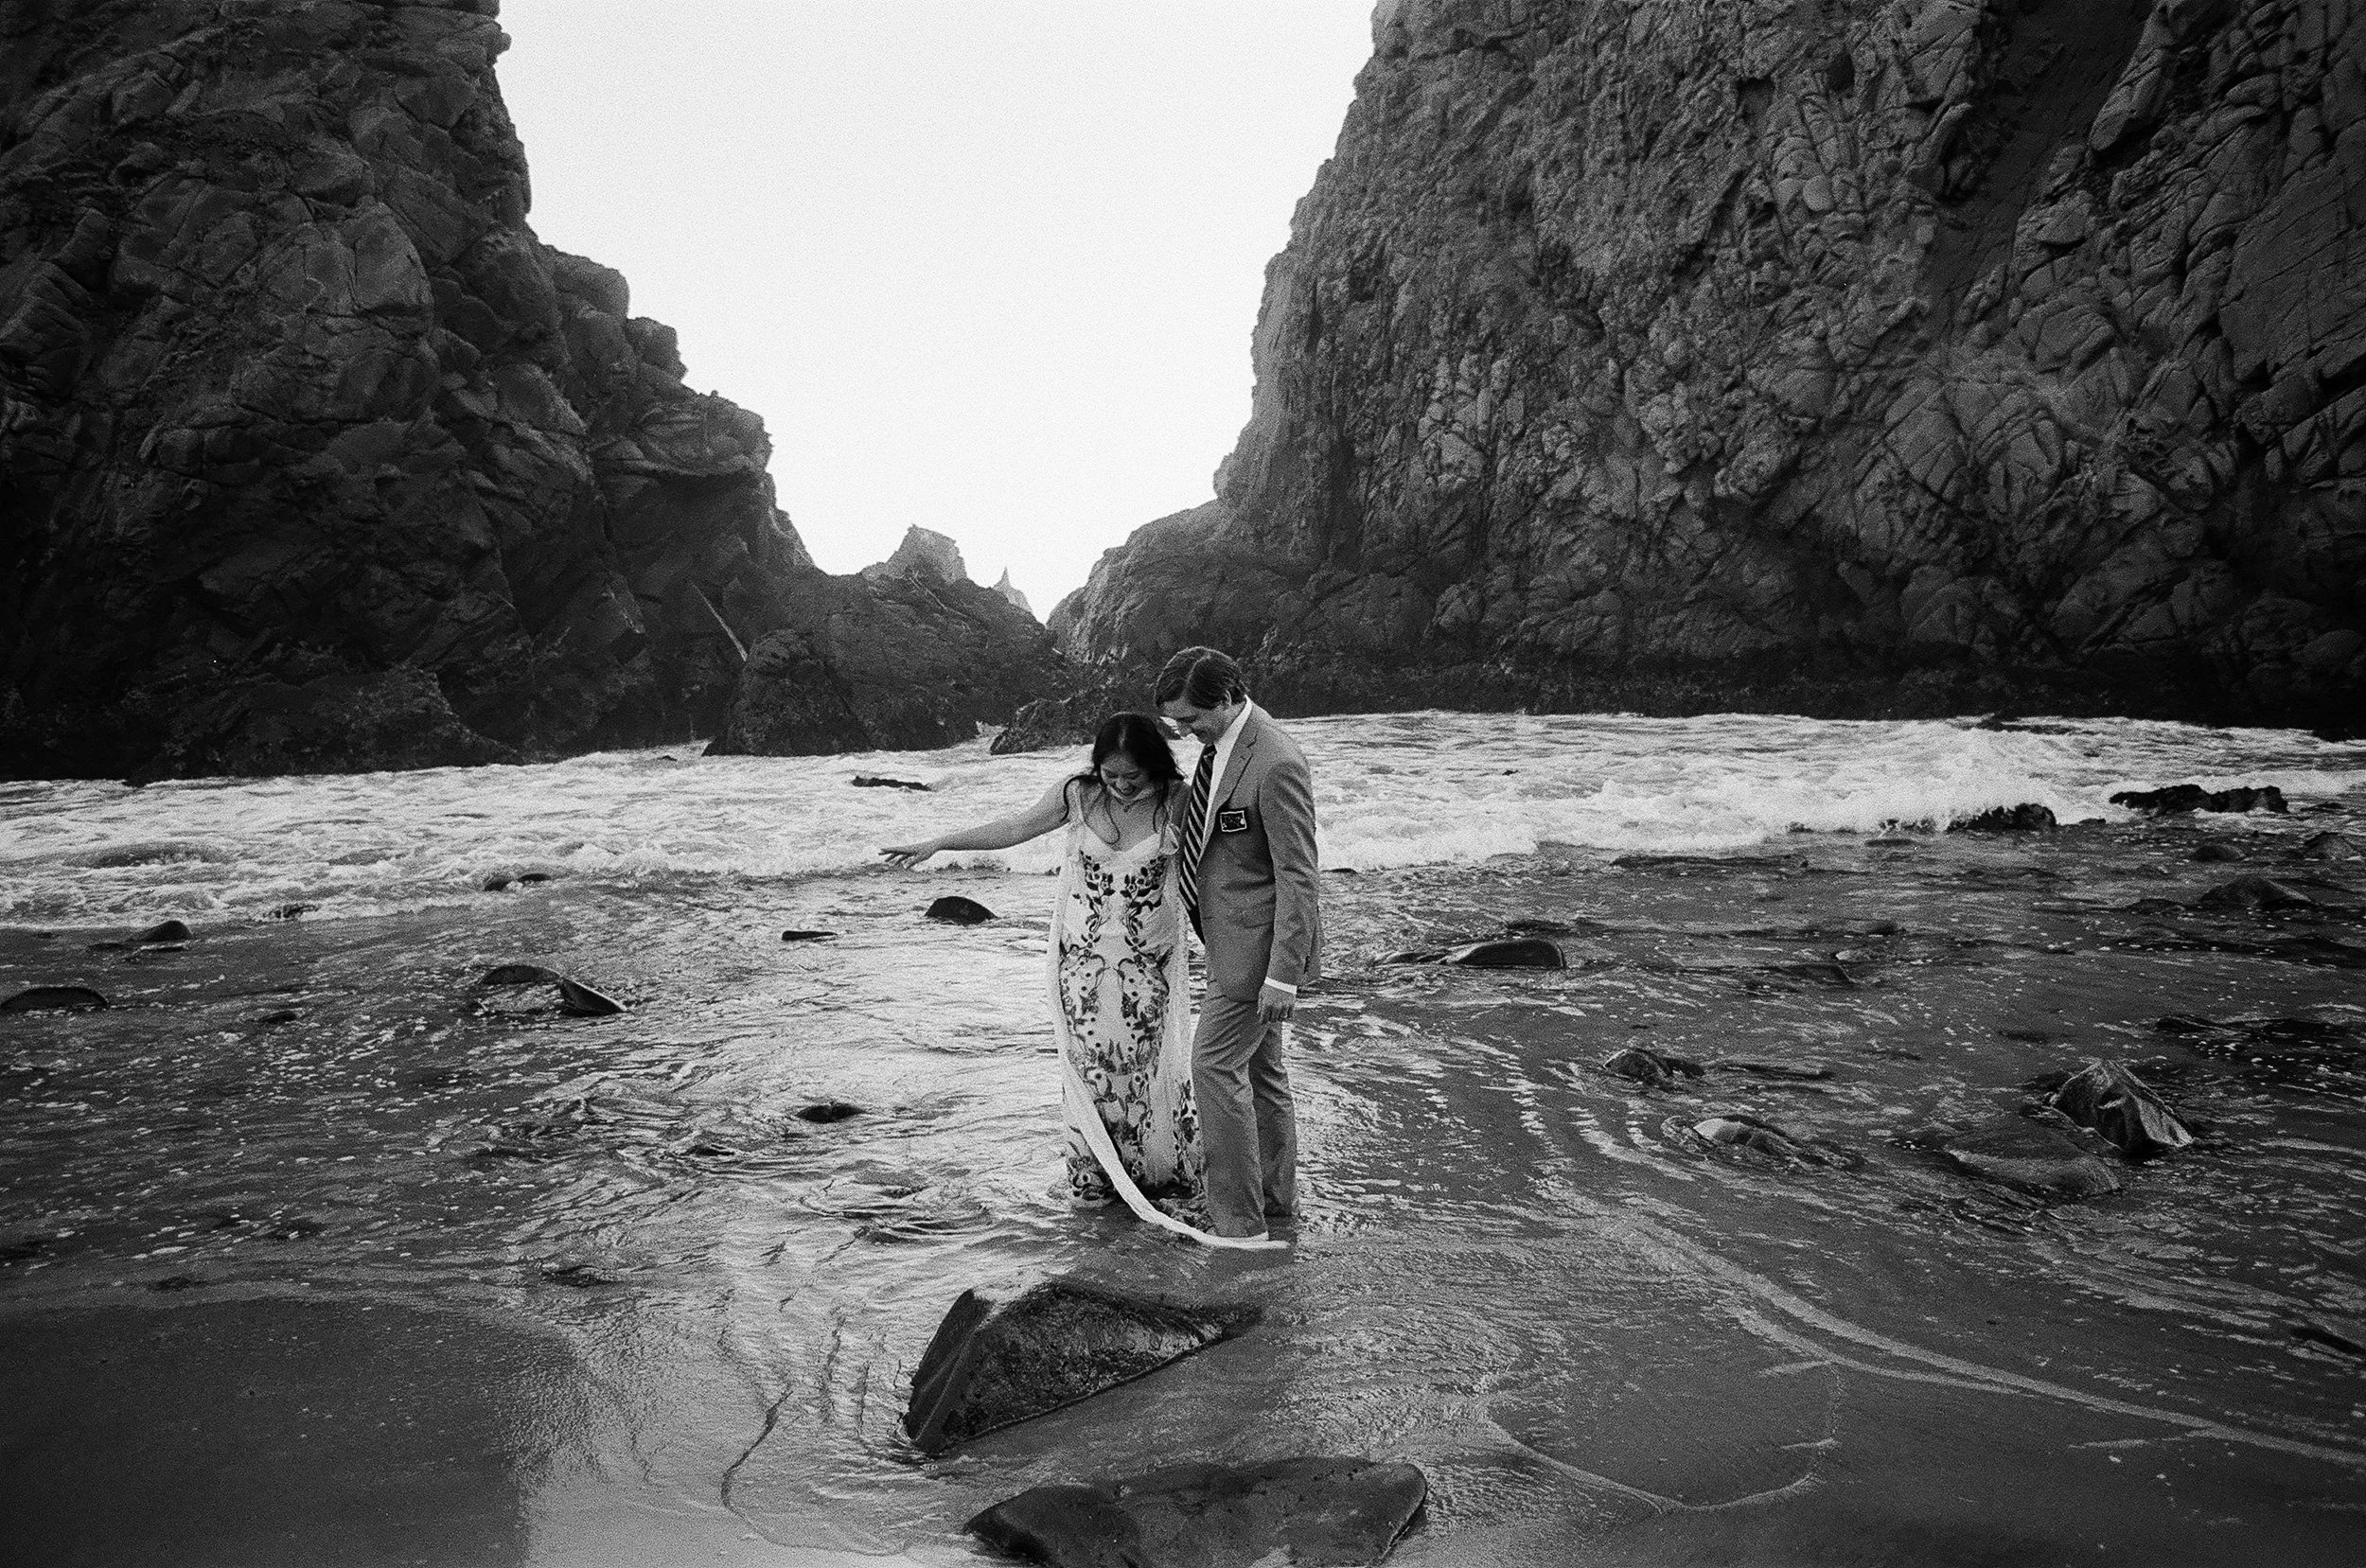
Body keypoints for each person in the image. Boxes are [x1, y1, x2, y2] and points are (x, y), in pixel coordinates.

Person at [880, 713, 1230, 1238]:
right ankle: (1095, 1181)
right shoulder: (1077, 795)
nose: (1121, 785)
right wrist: (939, 842)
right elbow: (1017, 827)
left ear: (1156, 765)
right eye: (1111, 775)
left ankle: (1153, 1178)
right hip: (1081, 965)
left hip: (1146, 964)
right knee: (1088, 1070)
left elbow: (1223, 870)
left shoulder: (1179, 801)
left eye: (1132, 775)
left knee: (1143, 1068)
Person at [1155, 646, 1321, 1245]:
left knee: (1213, 1064)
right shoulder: (1219, 747)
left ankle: (1236, 1223)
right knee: (1263, 1071)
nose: (1182, 730)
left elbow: (1299, 875)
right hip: (1228, 941)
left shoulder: (1274, 761)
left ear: (1226, 699)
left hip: (1257, 954)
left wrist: (1283, 976)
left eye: (1191, 719)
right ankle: (1276, 1204)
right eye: (1174, 721)